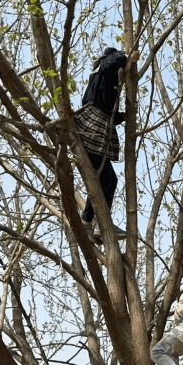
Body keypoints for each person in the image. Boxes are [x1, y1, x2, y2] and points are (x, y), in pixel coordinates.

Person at [74, 48, 133, 242]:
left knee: (105, 179)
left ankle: (89, 221)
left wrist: (124, 116)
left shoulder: (103, 81)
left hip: (95, 125)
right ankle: (98, 223)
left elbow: (107, 109)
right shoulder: (108, 67)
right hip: (94, 128)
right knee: (108, 180)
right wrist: (126, 56)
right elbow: (110, 63)